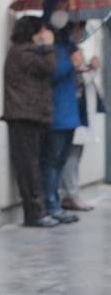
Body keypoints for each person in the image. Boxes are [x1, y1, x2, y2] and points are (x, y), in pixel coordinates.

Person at [2, 15, 59, 227]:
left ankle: (38, 211)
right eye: (40, 31)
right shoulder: (22, 52)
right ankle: (34, 214)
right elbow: (48, 67)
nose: (43, 35)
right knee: (29, 167)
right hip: (23, 117)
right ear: (32, 32)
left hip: (32, 117)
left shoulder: (24, 52)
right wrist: (50, 46)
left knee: (33, 165)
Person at [39, 0, 81, 225]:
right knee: (51, 160)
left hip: (69, 111)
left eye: (66, 9)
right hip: (53, 111)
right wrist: (70, 65)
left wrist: (82, 65)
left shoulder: (66, 40)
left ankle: (56, 201)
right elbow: (49, 72)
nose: (63, 13)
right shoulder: (44, 38)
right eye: (59, 8)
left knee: (61, 159)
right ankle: (51, 203)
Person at [59, 19, 99, 212]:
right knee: (68, 155)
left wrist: (89, 67)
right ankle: (68, 195)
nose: (81, 31)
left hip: (79, 111)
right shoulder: (63, 48)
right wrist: (75, 65)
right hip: (66, 111)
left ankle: (71, 194)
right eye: (79, 28)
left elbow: (82, 79)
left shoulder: (75, 49)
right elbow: (61, 77)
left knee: (75, 153)